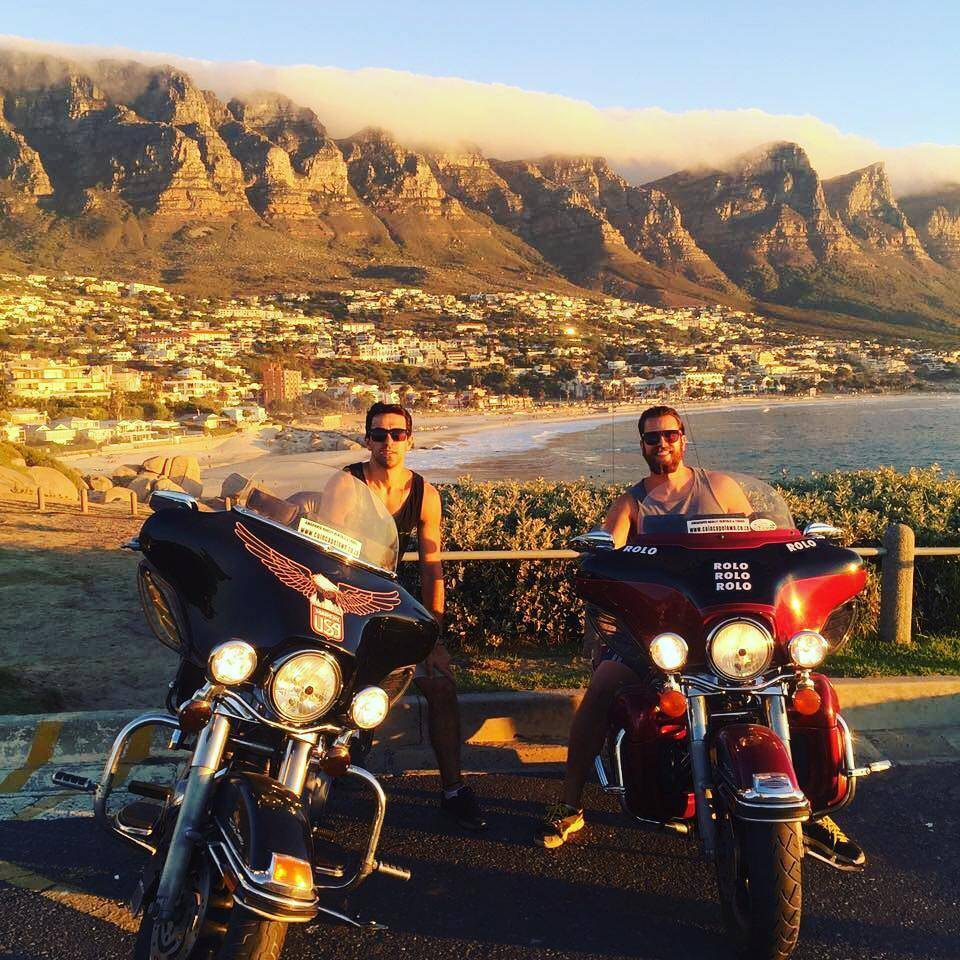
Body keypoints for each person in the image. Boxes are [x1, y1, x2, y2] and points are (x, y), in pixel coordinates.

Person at [535, 405, 864, 870]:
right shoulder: (631, 504)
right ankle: (569, 804)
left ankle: (812, 808)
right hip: (662, 633)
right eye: (652, 438)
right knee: (603, 687)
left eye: (669, 434)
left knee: (801, 690)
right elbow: (609, 555)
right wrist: (601, 556)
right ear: (642, 445)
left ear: (683, 438)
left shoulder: (720, 488)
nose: (661, 443)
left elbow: (762, 548)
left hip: (729, 630)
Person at [346, 402, 486, 831]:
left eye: (397, 434)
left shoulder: (425, 494)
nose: (388, 442)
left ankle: (452, 788)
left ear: (410, 439)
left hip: (390, 602)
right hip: (347, 603)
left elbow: (432, 567)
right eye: (379, 434)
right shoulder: (347, 484)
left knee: (441, 686)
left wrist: (434, 635)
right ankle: (328, 771)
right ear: (367, 439)